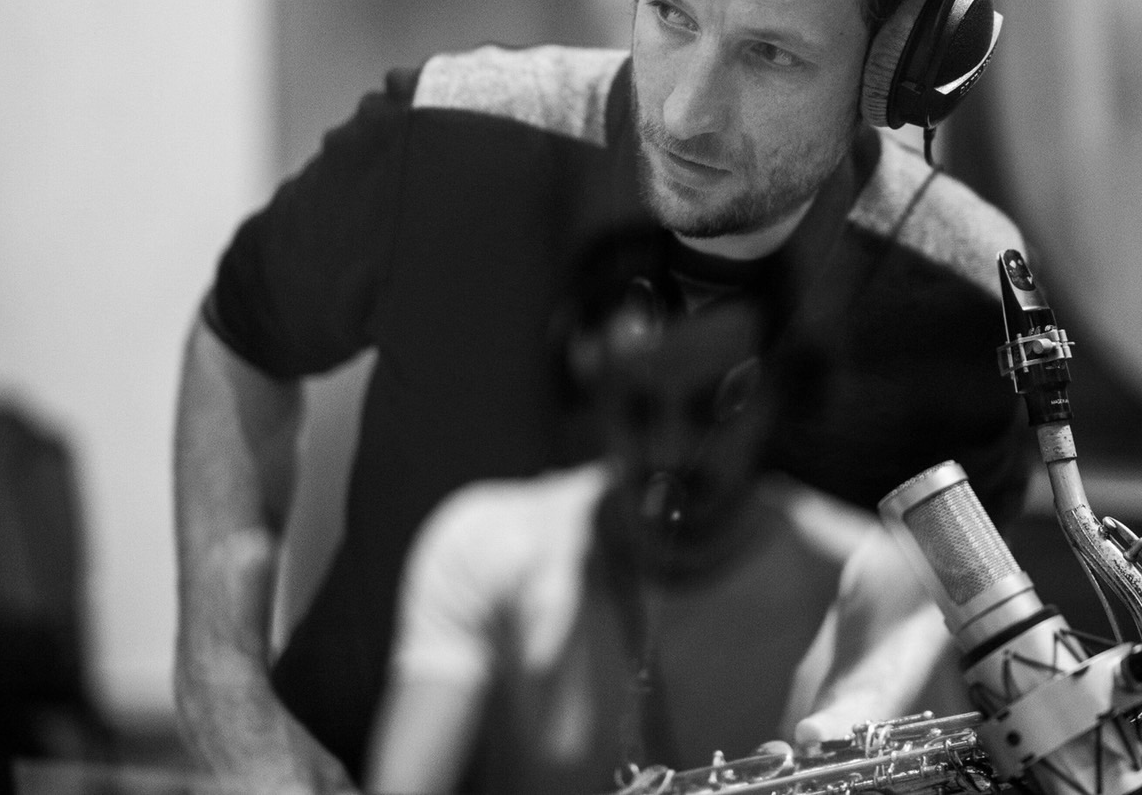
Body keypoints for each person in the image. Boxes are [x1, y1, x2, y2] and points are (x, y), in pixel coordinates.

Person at [173, 0, 1027, 792]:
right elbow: (240, 340)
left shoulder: (968, 295)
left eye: (770, 56)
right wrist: (223, 684)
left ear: (898, 67)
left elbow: (934, 647)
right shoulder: (447, 135)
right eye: (670, 12)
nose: (685, 113)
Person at [363, 226, 971, 795]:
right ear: (586, 386)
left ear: (784, 392)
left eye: (714, 408)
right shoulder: (480, 544)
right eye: (638, 409)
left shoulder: (873, 584)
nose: (671, 452)